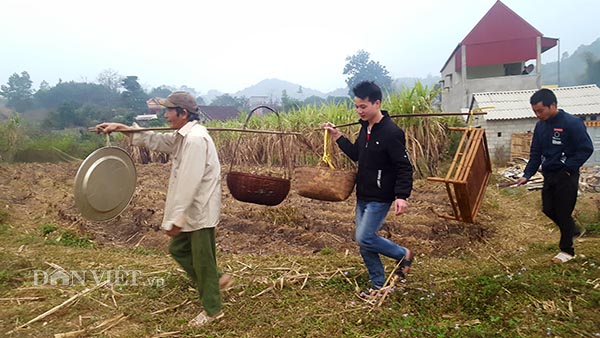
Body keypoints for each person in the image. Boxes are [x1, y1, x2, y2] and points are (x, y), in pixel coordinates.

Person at [95, 91, 231, 326]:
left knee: (203, 261)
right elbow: (156, 140)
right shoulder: (183, 136)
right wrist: (123, 128)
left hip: (198, 210)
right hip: (192, 211)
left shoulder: (196, 140)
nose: (165, 115)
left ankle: (213, 310)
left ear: (183, 113)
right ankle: (216, 280)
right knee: (178, 249)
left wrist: (177, 217)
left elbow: (190, 181)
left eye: (169, 110)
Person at [323, 81, 414, 292]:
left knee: (364, 237)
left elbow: (404, 166)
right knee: (365, 243)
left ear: (377, 103)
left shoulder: (391, 133)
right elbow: (357, 154)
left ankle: (403, 254)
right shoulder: (366, 129)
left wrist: (401, 195)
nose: (359, 111)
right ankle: (378, 286)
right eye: (356, 106)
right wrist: (337, 136)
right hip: (363, 194)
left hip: (380, 196)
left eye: (363, 106)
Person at [516, 88, 593, 263]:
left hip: (566, 175)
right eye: (535, 111)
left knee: (563, 212)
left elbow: (586, 149)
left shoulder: (572, 123)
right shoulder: (540, 126)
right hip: (549, 175)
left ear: (552, 105)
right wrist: (527, 175)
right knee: (548, 209)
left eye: (540, 111)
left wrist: (568, 168)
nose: (537, 115)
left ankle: (567, 251)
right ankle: (572, 229)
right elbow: (535, 153)